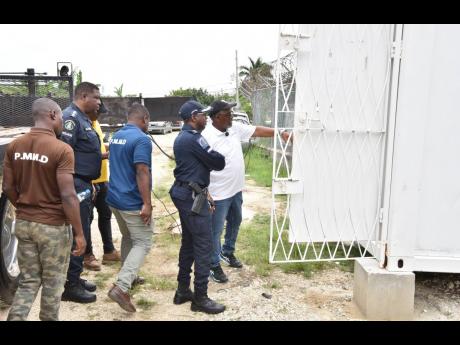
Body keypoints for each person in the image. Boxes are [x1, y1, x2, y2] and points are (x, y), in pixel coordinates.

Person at [2, 98, 86, 321]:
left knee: (29, 280)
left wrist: (23, 206)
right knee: (53, 282)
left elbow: (8, 187)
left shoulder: (15, 146)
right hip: (53, 228)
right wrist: (79, 233)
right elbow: (68, 195)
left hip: (24, 224)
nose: (61, 121)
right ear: (51, 115)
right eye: (60, 116)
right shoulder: (62, 149)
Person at [201, 100, 290, 283]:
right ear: (217, 117)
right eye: (229, 113)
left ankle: (228, 252)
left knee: (235, 221)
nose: (232, 116)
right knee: (214, 231)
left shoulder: (233, 128)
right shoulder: (206, 136)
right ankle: (213, 264)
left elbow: (256, 130)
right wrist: (205, 192)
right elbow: (199, 167)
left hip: (235, 190)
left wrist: (280, 133)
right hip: (217, 194)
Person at [169, 100, 226, 314]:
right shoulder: (194, 139)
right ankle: (200, 298)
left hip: (187, 193)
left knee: (189, 242)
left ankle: (183, 289)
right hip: (191, 196)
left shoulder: (183, 137)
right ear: (194, 117)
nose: (206, 118)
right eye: (203, 114)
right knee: (204, 246)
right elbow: (218, 162)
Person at [105, 103, 153, 313]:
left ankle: (129, 276)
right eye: (148, 121)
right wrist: (147, 203)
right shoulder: (142, 139)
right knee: (143, 241)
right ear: (144, 119)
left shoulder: (116, 135)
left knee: (128, 238)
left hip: (114, 199)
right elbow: (142, 171)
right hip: (132, 202)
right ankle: (122, 286)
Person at [60, 82, 102, 303]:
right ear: (84, 95)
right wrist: (77, 183)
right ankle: (71, 286)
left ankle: (75, 277)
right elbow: (64, 154)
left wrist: (90, 181)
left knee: (83, 230)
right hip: (74, 185)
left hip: (83, 182)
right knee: (79, 233)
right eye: (96, 97)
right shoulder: (70, 118)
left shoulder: (83, 118)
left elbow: (85, 154)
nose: (99, 102)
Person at [84, 100, 121, 271]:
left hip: (102, 180)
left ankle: (109, 251)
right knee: (87, 219)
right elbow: (85, 155)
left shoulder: (95, 123)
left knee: (105, 215)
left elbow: (98, 147)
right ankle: (87, 255)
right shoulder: (82, 125)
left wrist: (110, 146)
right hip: (90, 181)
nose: (99, 116)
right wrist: (106, 155)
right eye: (97, 113)